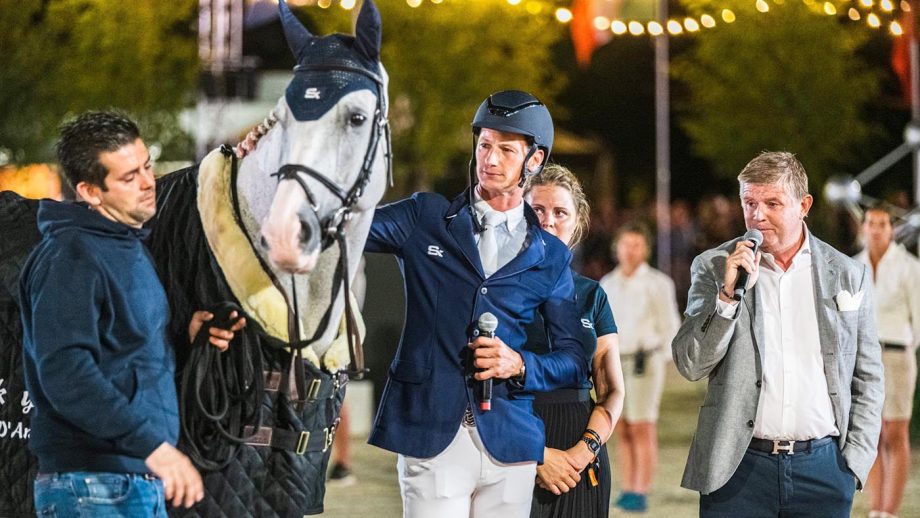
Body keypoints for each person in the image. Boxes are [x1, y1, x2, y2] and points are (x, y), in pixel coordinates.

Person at [364, 90, 589, 518]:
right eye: (485, 144)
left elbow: (574, 359)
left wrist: (519, 364)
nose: (490, 158)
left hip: (511, 443)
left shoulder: (551, 254)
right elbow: (348, 226)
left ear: (535, 161)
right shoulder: (424, 216)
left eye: (506, 149)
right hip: (432, 434)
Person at [19, 111, 244, 516]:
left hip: (124, 480)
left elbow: (119, 352)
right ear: (90, 191)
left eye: (147, 167)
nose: (147, 183)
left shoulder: (123, 245)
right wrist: (154, 449)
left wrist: (182, 335)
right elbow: (67, 371)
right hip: (94, 485)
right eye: (128, 177)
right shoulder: (73, 256)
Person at [671, 151, 884, 517]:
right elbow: (691, 364)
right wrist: (726, 298)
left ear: (804, 205)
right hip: (737, 471)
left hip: (824, 470)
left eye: (772, 203)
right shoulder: (713, 266)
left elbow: (868, 376)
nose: (757, 215)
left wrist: (853, 464)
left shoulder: (849, 274)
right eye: (749, 202)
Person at [523, 164, 625, 518]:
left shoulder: (591, 295)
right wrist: (537, 454)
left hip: (581, 457)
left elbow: (612, 390)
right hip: (513, 446)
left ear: (578, 220)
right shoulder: (492, 290)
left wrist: (583, 452)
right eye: (537, 210)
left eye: (560, 212)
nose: (548, 221)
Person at [599, 222, 680, 513]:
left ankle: (641, 489)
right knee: (621, 427)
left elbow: (670, 326)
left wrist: (662, 358)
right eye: (625, 244)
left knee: (642, 425)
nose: (630, 251)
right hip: (616, 362)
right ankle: (627, 486)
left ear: (645, 249)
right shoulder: (608, 283)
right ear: (616, 248)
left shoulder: (658, 283)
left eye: (636, 245)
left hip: (645, 362)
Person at [855, 204, 920, 518]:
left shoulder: (908, 266)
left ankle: (890, 510)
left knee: (895, 432)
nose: (876, 229)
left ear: (891, 229)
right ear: (863, 227)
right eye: (871, 223)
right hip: (864, 358)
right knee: (870, 433)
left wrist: (909, 349)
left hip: (896, 354)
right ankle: (875, 508)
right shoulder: (855, 266)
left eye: (882, 223)